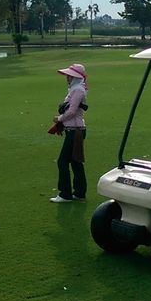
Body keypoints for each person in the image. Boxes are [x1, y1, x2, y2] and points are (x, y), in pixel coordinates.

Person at [50, 63, 88, 202]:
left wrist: (59, 119)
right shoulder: (76, 89)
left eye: (70, 75)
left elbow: (71, 111)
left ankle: (65, 194)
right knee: (75, 162)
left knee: (63, 161)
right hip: (74, 130)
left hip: (75, 131)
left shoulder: (77, 90)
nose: (67, 77)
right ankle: (79, 193)